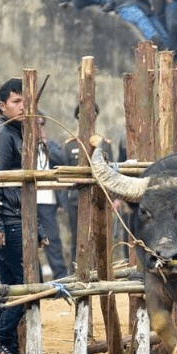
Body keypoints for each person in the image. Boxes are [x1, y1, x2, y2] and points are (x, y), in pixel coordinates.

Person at [0, 77, 48, 354]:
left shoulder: (21, 133)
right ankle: (2, 341)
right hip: (10, 221)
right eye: (16, 102)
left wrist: (37, 226)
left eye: (25, 101)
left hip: (20, 219)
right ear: (2, 105)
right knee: (31, 284)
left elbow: (27, 189)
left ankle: (7, 347)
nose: (22, 106)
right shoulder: (5, 135)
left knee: (15, 285)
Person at [62, 102, 113, 268]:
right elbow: (65, 173)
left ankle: (100, 270)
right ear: (78, 119)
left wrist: (100, 146)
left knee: (100, 238)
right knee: (78, 238)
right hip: (76, 199)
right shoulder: (70, 145)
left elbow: (110, 169)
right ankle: (76, 271)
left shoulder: (104, 143)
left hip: (99, 199)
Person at [36, 113, 68, 280]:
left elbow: (63, 160)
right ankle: (35, 280)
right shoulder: (21, 145)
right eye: (37, 124)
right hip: (25, 202)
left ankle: (61, 278)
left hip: (48, 201)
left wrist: (45, 144)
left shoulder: (52, 145)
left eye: (42, 124)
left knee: (52, 241)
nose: (40, 128)